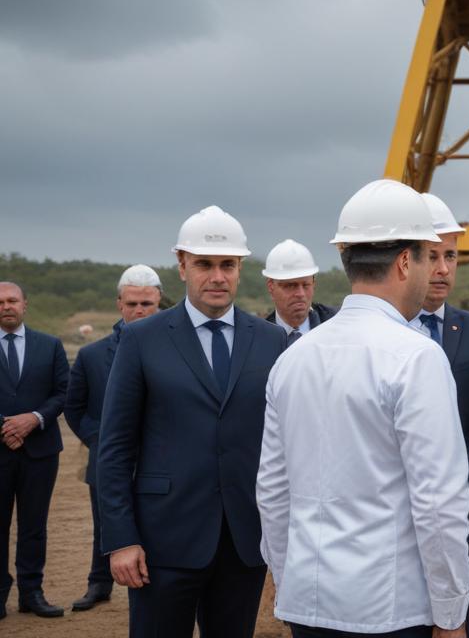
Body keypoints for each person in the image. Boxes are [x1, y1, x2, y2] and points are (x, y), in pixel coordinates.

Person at [258, 179, 469, 638]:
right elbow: (438, 503)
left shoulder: (292, 358)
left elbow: (272, 493)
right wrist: (452, 612)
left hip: (307, 604)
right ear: (403, 261)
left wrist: (286, 574)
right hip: (389, 608)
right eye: (425, 256)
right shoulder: (416, 357)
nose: (432, 270)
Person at [97, 206, 288, 638]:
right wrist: (121, 538)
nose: (217, 276)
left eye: (228, 265)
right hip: (162, 539)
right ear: (182, 266)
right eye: (204, 264)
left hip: (244, 539)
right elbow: (115, 447)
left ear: (241, 269)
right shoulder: (141, 339)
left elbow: (285, 443)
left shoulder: (272, 340)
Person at [411, 192, 469, 638]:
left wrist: (457, 490)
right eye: (432, 256)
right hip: (396, 513)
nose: (443, 268)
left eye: (450, 255)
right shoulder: (380, 333)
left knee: (457, 628)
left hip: (465, 514)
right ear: (405, 258)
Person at [64, 265, 162, 613]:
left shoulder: (174, 351)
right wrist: (101, 442)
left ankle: (163, 585)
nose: (139, 311)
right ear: (119, 303)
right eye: (133, 303)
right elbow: (74, 406)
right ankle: (98, 584)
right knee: (107, 522)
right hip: (109, 459)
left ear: (159, 304)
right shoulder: (92, 356)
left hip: (161, 460)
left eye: (147, 304)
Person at [0, 280, 69, 619]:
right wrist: (7, 426)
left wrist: (34, 419)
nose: (6, 306)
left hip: (40, 451)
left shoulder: (50, 345)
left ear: (25, 304)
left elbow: (63, 392)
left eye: (12, 300)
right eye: (0, 301)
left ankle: (32, 593)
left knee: (34, 525)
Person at [261, 239, 337, 339]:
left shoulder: (337, 326)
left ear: (313, 284)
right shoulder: (258, 338)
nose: (300, 294)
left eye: (306, 285)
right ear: (271, 286)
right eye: (291, 286)